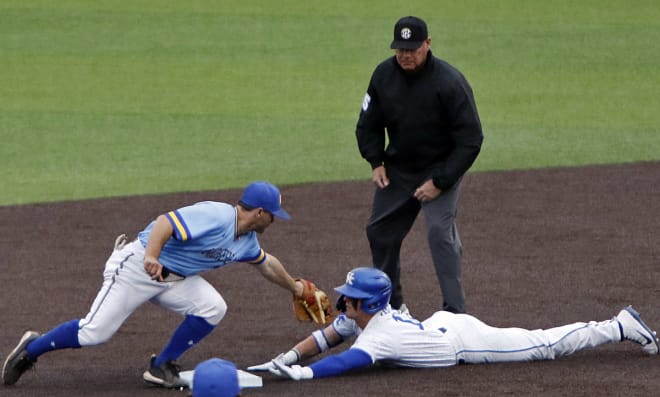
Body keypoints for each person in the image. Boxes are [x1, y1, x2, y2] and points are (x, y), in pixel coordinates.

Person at [2, 181, 308, 389]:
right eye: (273, 215)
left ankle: (161, 366)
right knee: (94, 333)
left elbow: (266, 263)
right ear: (259, 212)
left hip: (173, 280)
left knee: (213, 307)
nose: (274, 221)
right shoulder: (216, 214)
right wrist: (151, 256)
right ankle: (33, 347)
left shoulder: (247, 241)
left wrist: (294, 287)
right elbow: (165, 222)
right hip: (137, 268)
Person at [247, 267, 659, 380]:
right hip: (439, 325)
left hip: (464, 341)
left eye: (350, 297)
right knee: (538, 345)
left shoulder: (380, 334)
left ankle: (619, 325)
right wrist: (287, 357)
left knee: (541, 345)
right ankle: (619, 325)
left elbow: (346, 362)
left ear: (368, 302)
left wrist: (304, 375)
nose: (343, 301)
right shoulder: (361, 318)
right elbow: (325, 337)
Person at [355, 16, 484, 313]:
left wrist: (440, 181)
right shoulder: (383, 75)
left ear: (427, 44)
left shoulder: (449, 82)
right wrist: (375, 161)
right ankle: (391, 308)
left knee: (439, 232)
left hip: (441, 168)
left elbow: (471, 139)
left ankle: (455, 312)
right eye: (400, 49)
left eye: (412, 49)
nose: (405, 55)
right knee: (380, 231)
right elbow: (367, 124)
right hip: (399, 169)